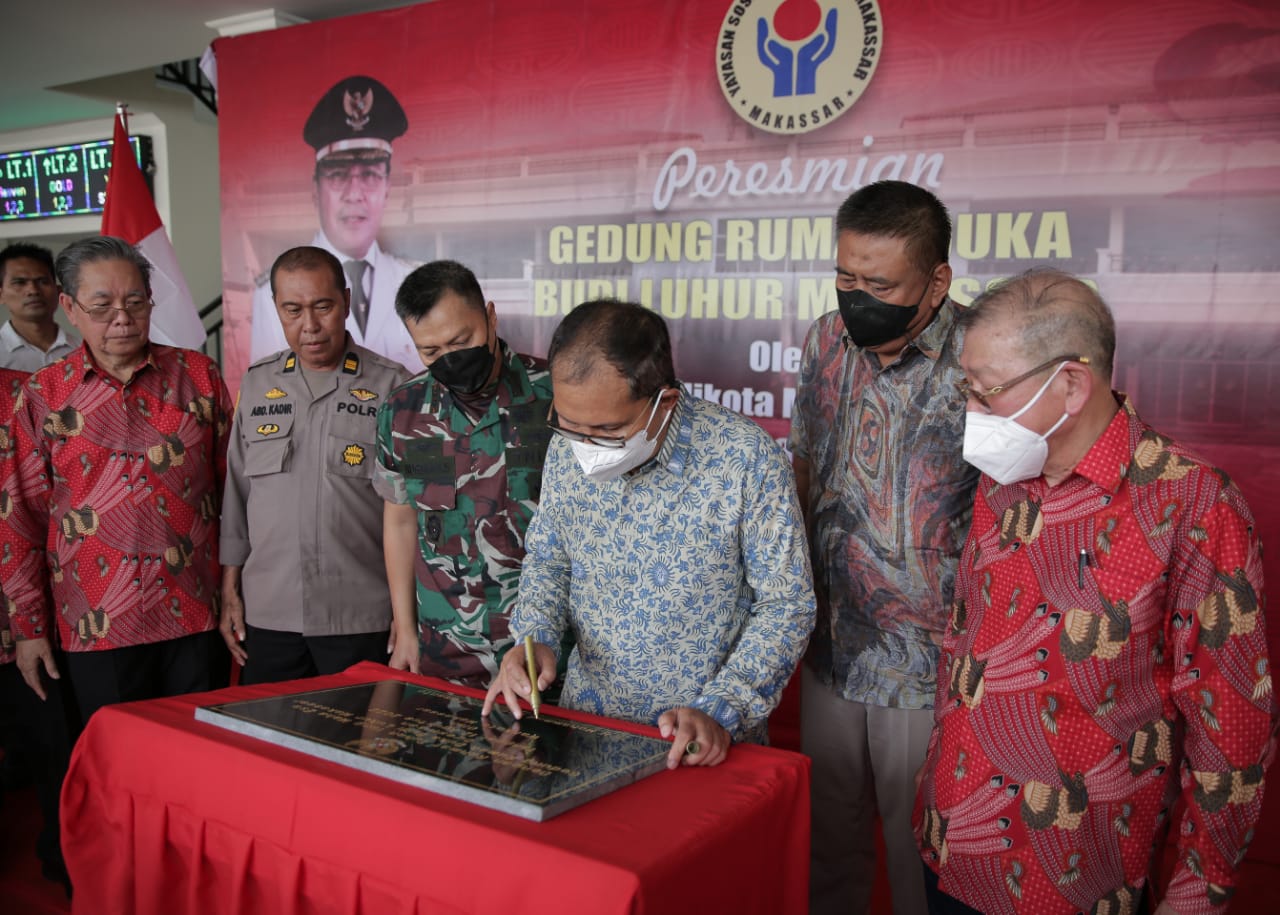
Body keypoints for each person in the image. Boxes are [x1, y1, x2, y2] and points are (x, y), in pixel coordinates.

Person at [915, 269, 1274, 915]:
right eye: (965, 388)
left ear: (1071, 385)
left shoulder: (1193, 503)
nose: (970, 411)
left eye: (986, 391)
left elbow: (1233, 723)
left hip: (1074, 875)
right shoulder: (1004, 475)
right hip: (951, 841)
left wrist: (1198, 890)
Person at [483, 299, 816, 770]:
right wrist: (535, 638)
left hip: (698, 746)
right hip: (586, 732)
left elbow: (786, 604)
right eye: (570, 425)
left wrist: (723, 707)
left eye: (608, 430)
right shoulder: (565, 452)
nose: (586, 448)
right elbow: (549, 561)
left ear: (665, 403)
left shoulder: (745, 460)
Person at [789, 180, 978, 915]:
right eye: (846, 277)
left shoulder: (981, 357)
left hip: (928, 662)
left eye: (880, 285)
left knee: (917, 853)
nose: (857, 298)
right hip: (831, 644)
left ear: (937, 281)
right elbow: (805, 462)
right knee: (828, 843)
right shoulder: (824, 341)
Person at [1, 236, 232, 723]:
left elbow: (234, 495)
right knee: (117, 756)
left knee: (196, 755)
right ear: (70, 307)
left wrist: (236, 591)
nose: (122, 319)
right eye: (102, 306)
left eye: (135, 303)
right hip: (95, 624)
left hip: (195, 614)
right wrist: (30, 627)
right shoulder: (44, 394)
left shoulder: (197, 376)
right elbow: (20, 518)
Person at [221, 246, 409, 683]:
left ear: (346, 301)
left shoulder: (393, 386)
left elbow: (408, 513)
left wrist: (406, 613)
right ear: (277, 309)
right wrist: (229, 585)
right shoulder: (257, 383)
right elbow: (237, 492)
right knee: (267, 725)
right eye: (293, 310)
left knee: (357, 725)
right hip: (269, 610)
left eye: (323, 306)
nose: (309, 325)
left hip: (360, 612)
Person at [375, 260, 554, 687]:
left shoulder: (555, 394)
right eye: (431, 352)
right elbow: (400, 522)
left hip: (544, 654)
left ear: (490, 317)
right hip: (447, 650)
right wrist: (406, 629)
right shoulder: (402, 411)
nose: (451, 359)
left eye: (461, 341)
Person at [250, 75, 420, 372]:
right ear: (315, 190)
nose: (354, 194)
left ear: (387, 188)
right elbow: (271, 387)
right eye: (338, 175)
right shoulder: (271, 292)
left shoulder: (415, 283)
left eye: (370, 175)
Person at [0, 366, 75, 895]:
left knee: (51, 743)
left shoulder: (24, 391)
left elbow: (39, 509)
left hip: (27, 609)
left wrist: (30, 619)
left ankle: (65, 855)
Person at [0, 243, 78, 371]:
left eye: (43, 281)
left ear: (59, 291)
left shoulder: (82, 351)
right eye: (20, 282)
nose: (33, 290)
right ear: (1, 295)